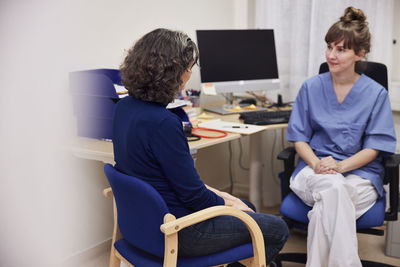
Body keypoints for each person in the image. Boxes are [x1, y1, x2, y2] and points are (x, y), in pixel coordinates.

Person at [113, 28, 289, 265]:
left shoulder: (124, 108)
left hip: (142, 225)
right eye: (188, 68)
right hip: (180, 230)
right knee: (276, 228)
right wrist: (229, 203)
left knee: (246, 206)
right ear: (172, 72)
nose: (188, 75)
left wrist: (226, 198)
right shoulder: (164, 123)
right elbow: (194, 197)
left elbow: (173, 181)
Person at [286, 6, 396, 267]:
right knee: (334, 188)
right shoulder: (311, 87)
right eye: (329, 47)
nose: (331, 55)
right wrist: (317, 164)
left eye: (341, 49)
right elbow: (299, 138)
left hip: (360, 175)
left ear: (360, 53)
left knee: (328, 205)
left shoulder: (375, 94)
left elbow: (376, 147)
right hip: (313, 171)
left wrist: (340, 166)